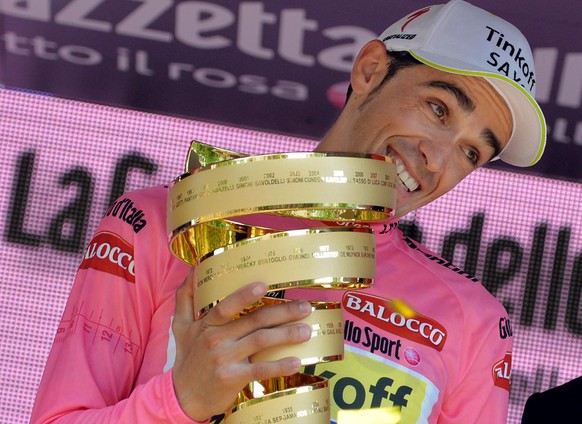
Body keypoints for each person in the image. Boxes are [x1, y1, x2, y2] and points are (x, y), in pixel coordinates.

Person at [30, 1, 546, 423]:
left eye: (472, 152)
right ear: (370, 71)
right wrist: (180, 400)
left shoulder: (472, 323)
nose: (437, 159)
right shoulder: (161, 221)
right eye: (438, 108)